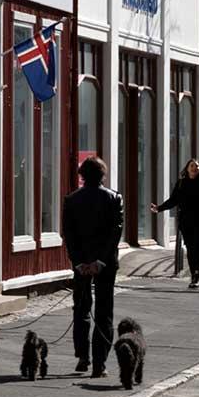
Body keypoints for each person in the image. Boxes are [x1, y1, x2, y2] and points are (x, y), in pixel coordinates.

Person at [62, 156, 124, 378]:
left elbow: (69, 234)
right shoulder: (114, 198)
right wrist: (100, 261)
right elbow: (115, 233)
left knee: (81, 308)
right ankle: (100, 362)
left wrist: (80, 262)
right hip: (105, 264)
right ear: (103, 176)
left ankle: (82, 357)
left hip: (81, 264)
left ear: (82, 176)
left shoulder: (71, 200)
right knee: (104, 310)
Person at [150, 159, 199, 289]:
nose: (195, 168)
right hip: (186, 220)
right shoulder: (181, 183)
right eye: (192, 166)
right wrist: (159, 208)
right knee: (190, 246)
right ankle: (193, 272)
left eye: (197, 166)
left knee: (198, 245)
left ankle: (196, 274)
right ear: (187, 168)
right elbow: (173, 200)